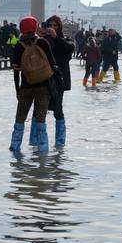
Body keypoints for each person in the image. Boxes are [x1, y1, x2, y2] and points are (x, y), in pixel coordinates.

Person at [9, 16, 56, 153]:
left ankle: (15, 149)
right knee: (41, 120)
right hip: (44, 86)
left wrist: (17, 89)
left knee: (20, 119)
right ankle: (42, 152)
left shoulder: (18, 45)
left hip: (26, 87)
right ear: (35, 27)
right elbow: (53, 64)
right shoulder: (42, 42)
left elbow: (16, 71)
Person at [42, 15, 75, 148]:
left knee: (57, 109)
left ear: (59, 27)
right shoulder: (42, 41)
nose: (52, 28)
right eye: (50, 25)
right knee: (40, 110)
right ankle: (39, 143)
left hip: (58, 80)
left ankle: (60, 143)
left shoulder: (66, 40)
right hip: (43, 79)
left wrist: (56, 37)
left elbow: (68, 50)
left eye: (55, 26)